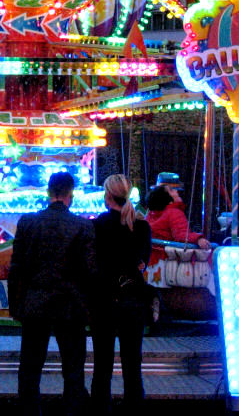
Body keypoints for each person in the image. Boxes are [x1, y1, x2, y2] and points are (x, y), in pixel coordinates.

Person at [8, 172, 96, 416]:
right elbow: (89, 270)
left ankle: (29, 412)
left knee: (30, 366)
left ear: (49, 192)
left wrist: (15, 305)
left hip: (35, 303)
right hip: (70, 305)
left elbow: (17, 268)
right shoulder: (83, 226)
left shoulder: (28, 222)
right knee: (73, 367)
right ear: (71, 193)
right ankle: (72, 412)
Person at [90, 174, 152, 414]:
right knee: (132, 363)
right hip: (133, 299)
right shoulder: (142, 227)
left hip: (104, 300)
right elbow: (142, 264)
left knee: (102, 365)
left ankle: (99, 409)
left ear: (107, 196)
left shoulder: (98, 225)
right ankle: (133, 409)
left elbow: (93, 264)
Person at [145, 184, 210, 249]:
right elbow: (181, 234)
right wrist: (198, 239)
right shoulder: (174, 213)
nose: (176, 191)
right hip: (166, 256)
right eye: (171, 190)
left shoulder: (150, 214)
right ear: (167, 199)